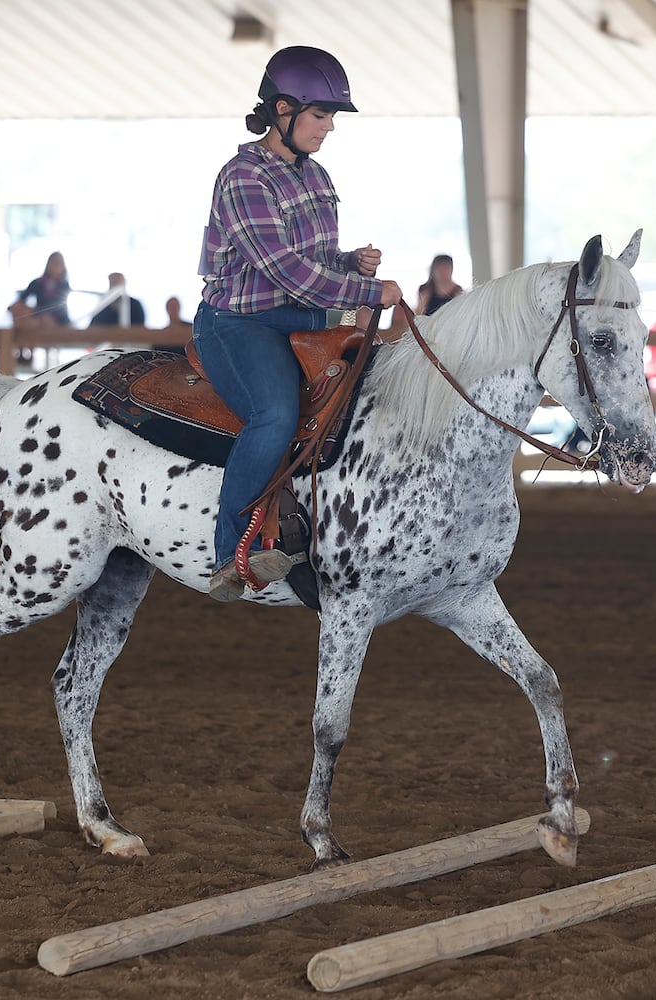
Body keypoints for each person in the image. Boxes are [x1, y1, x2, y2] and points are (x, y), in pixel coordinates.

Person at [194, 44, 401, 602]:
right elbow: (285, 271)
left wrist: (348, 262)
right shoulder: (243, 178)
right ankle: (228, 554)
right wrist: (366, 289)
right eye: (321, 115)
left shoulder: (315, 176)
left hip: (304, 320)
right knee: (277, 413)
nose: (329, 127)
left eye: (332, 116)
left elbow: (309, 261)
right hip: (240, 323)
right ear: (282, 110)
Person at [9, 251, 71, 328]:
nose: (55, 266)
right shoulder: (38, 283)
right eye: (53, 263)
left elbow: (57, 308)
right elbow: (22, 299)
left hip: (57, 320)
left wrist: (33, 310)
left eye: (58, 263)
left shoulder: (64, 285)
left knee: (38, 322)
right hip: (38, 316)